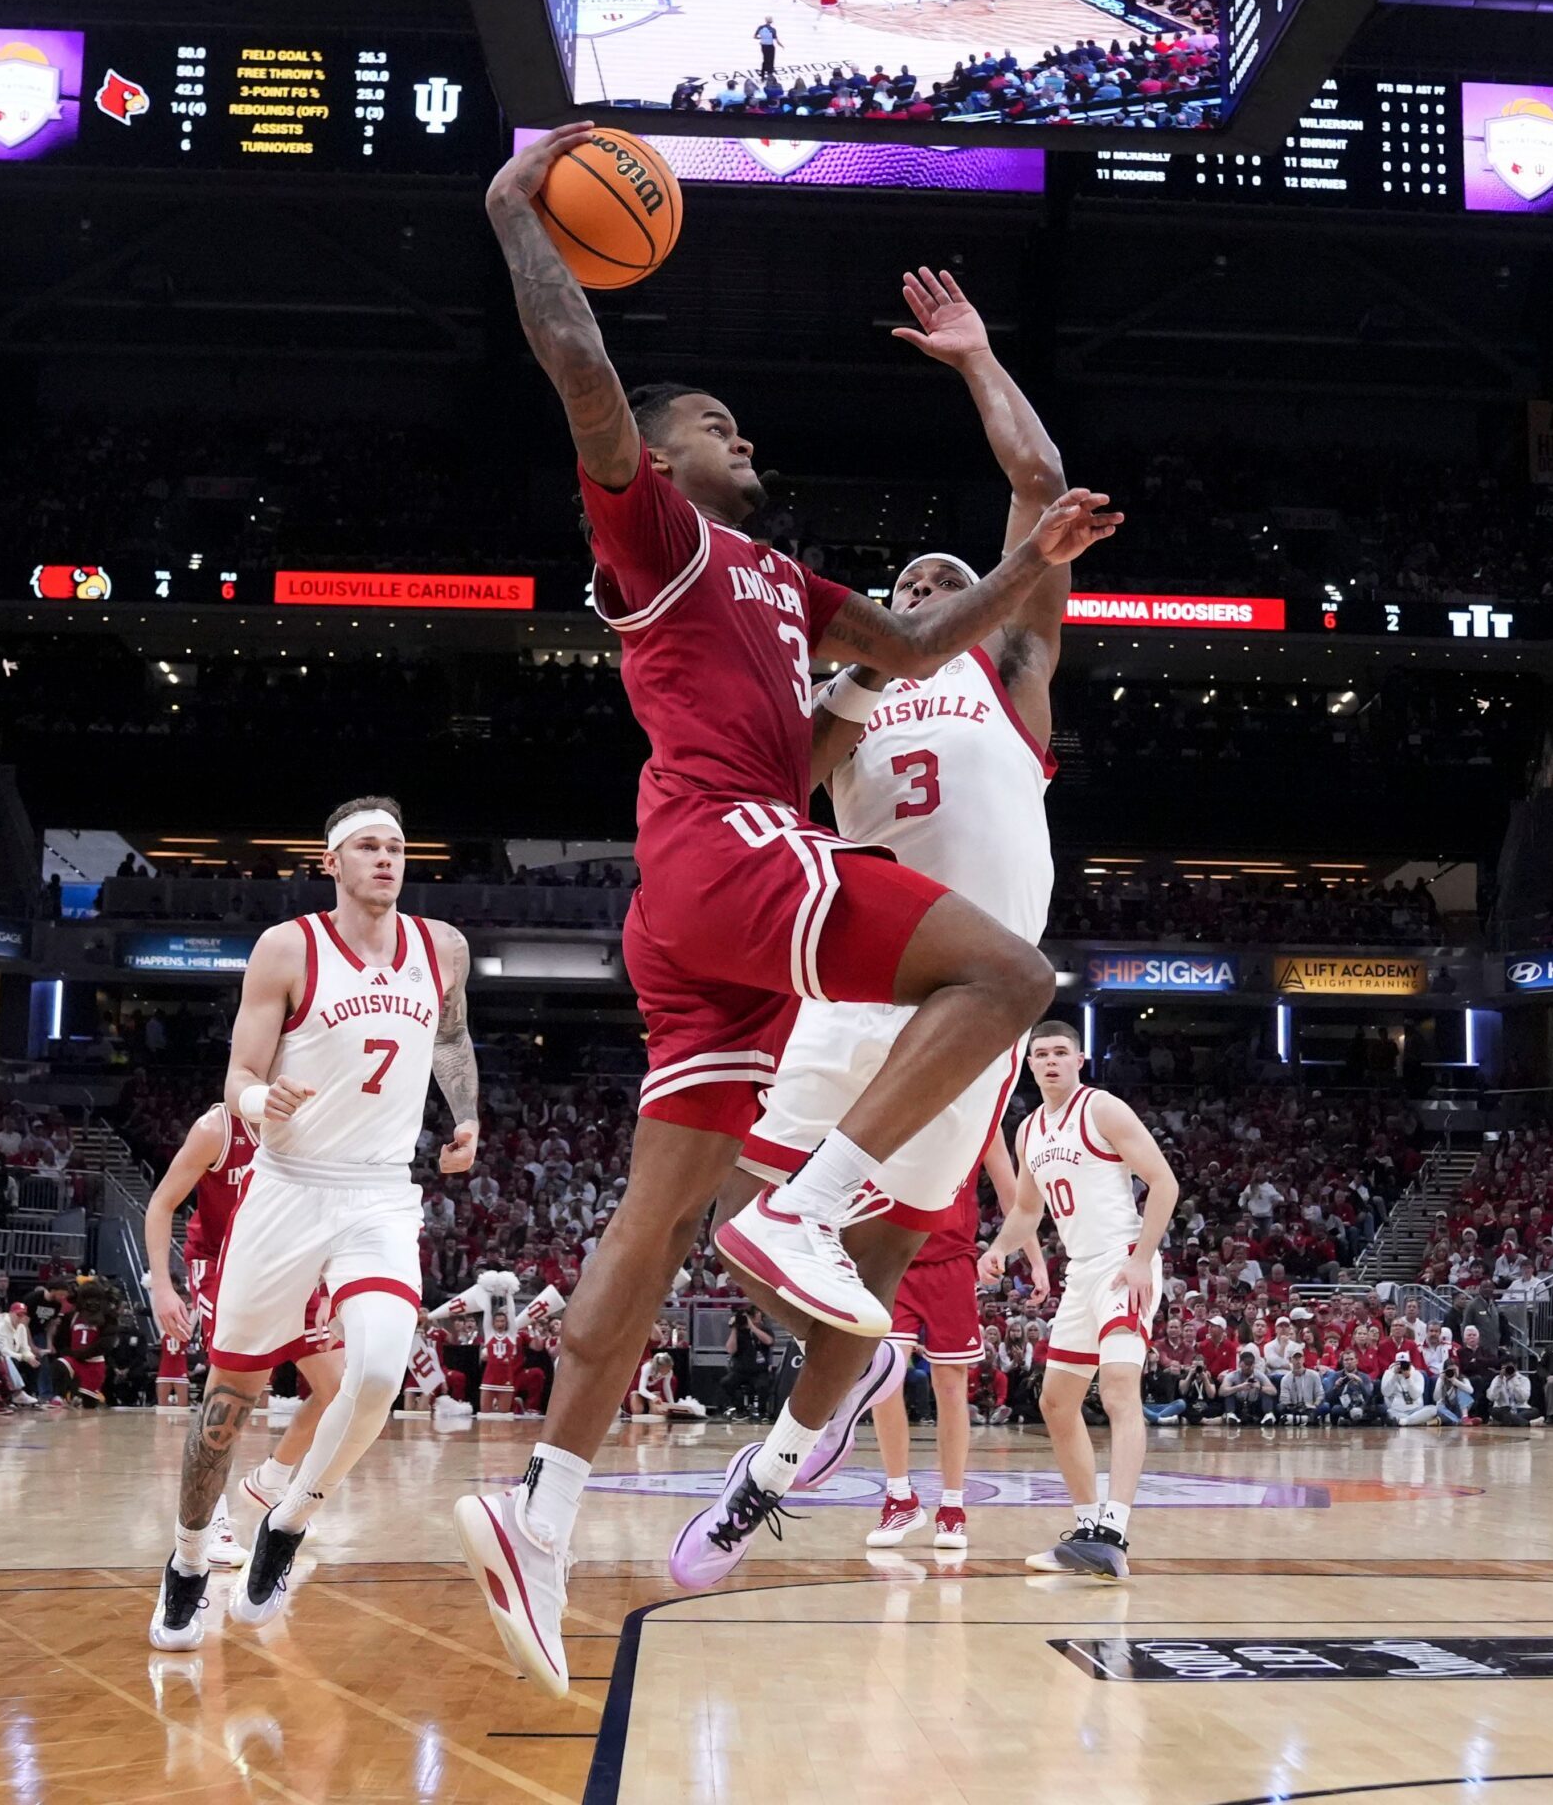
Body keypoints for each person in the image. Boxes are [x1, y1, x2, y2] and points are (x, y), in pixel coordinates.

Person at [459, 128, 1118, 1698]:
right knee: (1016, 975)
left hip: (723, 915)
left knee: (656, 1215)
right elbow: (585, 370)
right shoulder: (662, 540)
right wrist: (511, 205)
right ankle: (801, 1208)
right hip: (741, 853)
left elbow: (912, 634)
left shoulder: (805, 591)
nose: (735, 432)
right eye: (713, 422)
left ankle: (539, 1514)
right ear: (663, 459)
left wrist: (1028, 555)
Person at [670, 266, 1079, 1584]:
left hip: (975, 1006)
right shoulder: (851, 701)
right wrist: (850, 672)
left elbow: (1037, 483)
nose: (927, 581)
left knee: (883, 1268)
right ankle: (816, 1385)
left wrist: (973, 359)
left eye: (952, 576)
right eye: (911, 577)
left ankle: (768, 1477)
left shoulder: (1011, 673)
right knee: (742, 1221)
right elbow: (770, 781)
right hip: (864, 969)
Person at [151, 798, 477, 1653]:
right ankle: (188, 1559)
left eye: (397, 847)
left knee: (374, 1374)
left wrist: (468, 1115)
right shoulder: (288, 946)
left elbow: (451, 1040)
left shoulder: (442, 948)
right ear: (331, 862)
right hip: (288, 1185)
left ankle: (290, 1520)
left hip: (379, 1192)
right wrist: (263, 1100)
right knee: (229, 1396)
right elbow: (240, 1074)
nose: (385, 859)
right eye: (367, 847)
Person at [977, 1021, 1180, 1578]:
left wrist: (1140, 1258)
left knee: (1118, 1393)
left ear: (1080, 1059)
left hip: (1121, 1263)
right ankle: (1088, 1529)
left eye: (1060, 1052)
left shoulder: (1103, 1109)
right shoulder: (1028, 1131)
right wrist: (998, 1249)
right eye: (1040, 1054)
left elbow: (1164, 1184)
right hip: (1080, 1273)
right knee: (1056, 1404)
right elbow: (1025, 1210)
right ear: (1030, 1064)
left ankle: (1115, 1529)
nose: (1049, 1061)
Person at [142, 1101, 348, 1570]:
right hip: (222, 1265)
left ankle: (271, 1483)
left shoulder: (309, 1127)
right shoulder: (217, 1128)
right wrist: (162, 1287)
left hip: (290, 1267)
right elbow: (161, 1203)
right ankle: (210, 1521)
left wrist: (333, 1288)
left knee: (339, 1389)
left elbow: (329, 1213)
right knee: (229, 1398)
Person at [864, 1132, 1036, 1555]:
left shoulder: (984, 1117)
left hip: (953, 1263)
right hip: (893, 1257)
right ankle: (899, 1496)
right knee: (886, 1375)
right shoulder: (900, 1095)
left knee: (951, 1385)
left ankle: (953, 1506)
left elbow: (1014, 1194)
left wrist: (1031, 1258)